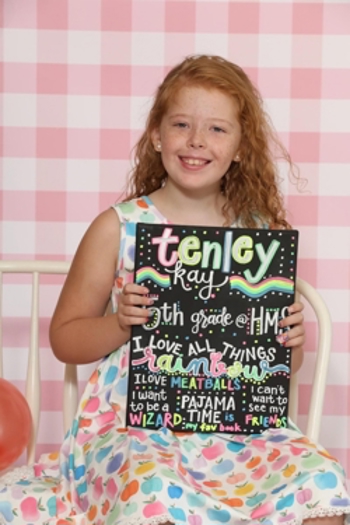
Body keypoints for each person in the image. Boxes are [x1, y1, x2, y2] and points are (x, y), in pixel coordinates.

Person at [0, 55, 349, 525]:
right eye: (182, 124)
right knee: (153, 488)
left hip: (234, 427)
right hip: (133, 425)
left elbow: (272, 369)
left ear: (242, 147)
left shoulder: (256, 237)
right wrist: (119, 323)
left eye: (218, 130)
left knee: (321, 478)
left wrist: (288, 340)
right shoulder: (119, 228)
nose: (196, 141)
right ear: (157, 135)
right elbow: (65, 340)